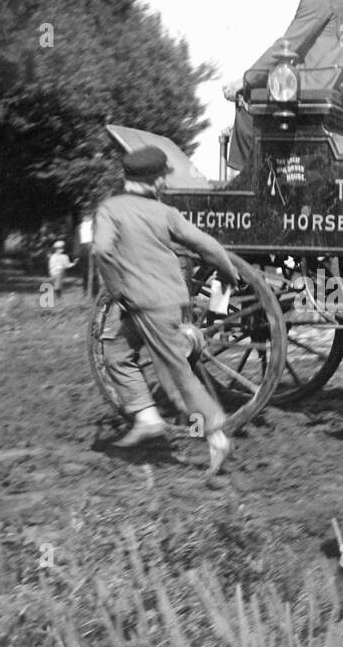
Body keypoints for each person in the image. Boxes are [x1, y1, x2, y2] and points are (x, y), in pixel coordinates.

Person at [91, 146, 240, 475]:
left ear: (128, 179)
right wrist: (228, 273)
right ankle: (146, 417)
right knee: (115, 351)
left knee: (178, 376)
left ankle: (216, 436)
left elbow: (101, 250)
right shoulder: (165, 213)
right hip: (165, 301)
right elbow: (207, 245)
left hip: (141, 302)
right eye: (161, 178)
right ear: (154, 182)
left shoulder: (110, 210)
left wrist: (116, 289)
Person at [223, 0, 343, 175]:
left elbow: (288, 45)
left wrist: (245, 80)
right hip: (342, 86)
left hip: (317, 82)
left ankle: (245, 185)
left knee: (247, 101)